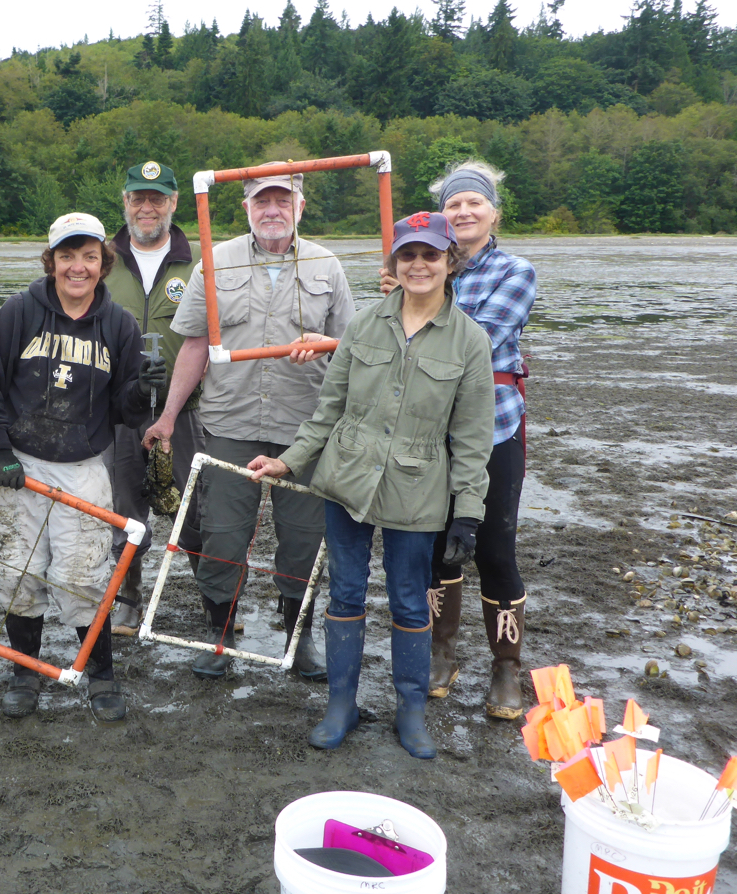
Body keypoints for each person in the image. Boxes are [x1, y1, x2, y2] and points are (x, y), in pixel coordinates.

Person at [250, 211, 494, 759]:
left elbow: (473, 439)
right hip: (347, 479)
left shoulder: (470, 342)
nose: (418, 265)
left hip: (418, 489)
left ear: (449, 261)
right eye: (407, 255)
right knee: (345, 591)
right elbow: (327, 410)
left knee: (410, 601)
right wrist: (289, 462)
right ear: (395, 264)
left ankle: (411, 711)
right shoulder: (362, 326)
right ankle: (342, 705)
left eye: (430, 255)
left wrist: (468, 514)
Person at [145, 172, 354, 680]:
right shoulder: (214, 263)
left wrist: (321, 344)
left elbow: (352, 349)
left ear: (300, 208)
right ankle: (218, 634)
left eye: (284, 201)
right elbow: (194, 344)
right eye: (263, 202)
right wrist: (169, 416)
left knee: (304, 538)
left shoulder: (328, 265)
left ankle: (297, 640)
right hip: (227, 422)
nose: (273, 211)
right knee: (221, 534)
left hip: (304, 430)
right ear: (247, 208)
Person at [0, 212, 166, 721]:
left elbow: (125, 412)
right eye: (66, 256)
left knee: (81, 575)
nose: (77, 267)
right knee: (17, 572)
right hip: (19, 465)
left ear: (103, 264)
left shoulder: (119, 325)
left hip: (83, 465)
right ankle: (24, 671)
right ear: (51, 260)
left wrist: (144, 390)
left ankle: (101, 673)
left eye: (88, 256)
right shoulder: (18, 312)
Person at [381, 160, 537, 720]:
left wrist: (412, 293)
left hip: (492, 431)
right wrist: (409, 290)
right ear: (442, 217)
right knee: (433, 547)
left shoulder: (515, 271)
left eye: (474, 203)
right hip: (425, 437)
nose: (464, 211)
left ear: (494, 212)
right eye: (453, 205)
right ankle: (442, 654)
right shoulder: (419, 271)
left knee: (494, 550)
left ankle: (505, 668)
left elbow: (474, 339)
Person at [100, 161, 204, 635]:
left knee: (196, 505)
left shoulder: (201, 262)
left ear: (174, 203)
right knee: (123, 508)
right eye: (138, 198)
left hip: (183, 408)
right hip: (118, 410)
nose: (147, 207)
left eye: (157, 198)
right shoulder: (100, 260)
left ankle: (215, 598)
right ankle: (128, 599)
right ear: (124, 202)